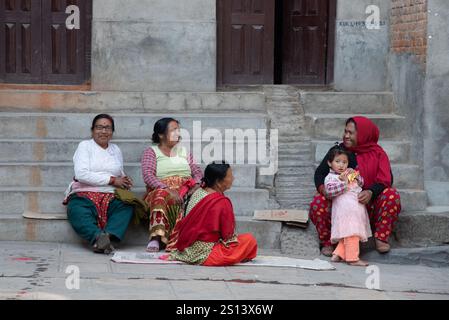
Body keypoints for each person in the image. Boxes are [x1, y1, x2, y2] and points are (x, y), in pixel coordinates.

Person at [310, 116, 401, 256]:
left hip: (368, 206)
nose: (346, 136)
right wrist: (324, 190)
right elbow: (319, 174)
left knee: (391, 195)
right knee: (318, 201)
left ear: (363, 135)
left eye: (350, 133)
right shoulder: (339, 151)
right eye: (345, 131)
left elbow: (386, 180)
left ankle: (381, 237)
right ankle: (328, 242)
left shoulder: (378, 154)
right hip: (342, 207)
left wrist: (371, 192)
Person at [163, 162, 258, 266]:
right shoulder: (222, 202)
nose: (233, 179)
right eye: (230, 176)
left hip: (187, 249)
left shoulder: (198, 192)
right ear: (218, 182)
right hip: (208, 254)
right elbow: (228, 236)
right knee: (249, 240)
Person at [64, 114, 134, 254]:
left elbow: (119, 172)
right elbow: (81, 175)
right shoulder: (85, 146)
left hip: (110, 194)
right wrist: (113, 180)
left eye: (107, 128)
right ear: (92, 130)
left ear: (112, 132)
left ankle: (106, 237)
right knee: (76, 209)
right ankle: (97, 237)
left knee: (127, 205)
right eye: (99, 127)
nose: (103, 131)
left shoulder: (115, 150)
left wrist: (125, 180)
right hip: (85, 192)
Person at [141, 118, 203, 252]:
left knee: (205, 195)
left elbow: (197, 171)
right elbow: (148, 176)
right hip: (161, 189)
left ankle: (195, 238)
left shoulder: (184, 151)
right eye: (173, 130)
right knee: (159, 195)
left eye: (178, 130)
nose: (178, 133)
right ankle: (156, 237)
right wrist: (167, 189)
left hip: (186, 188)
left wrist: (196, 185)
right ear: (161, 135)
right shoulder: (151, 152)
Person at [324, 146, 372, 266]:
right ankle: (353, 258)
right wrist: (344, 182)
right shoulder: (330, 178)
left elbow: (361, 182)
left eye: (344, 162)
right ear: (329, 163)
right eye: (337, 161)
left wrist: (355, 176)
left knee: (348, 231)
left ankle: (338, 254)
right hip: (345, 210)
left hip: (355, 208)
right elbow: (330, 192)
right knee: (352, 232)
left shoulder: (348, 173)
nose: (341, 165)